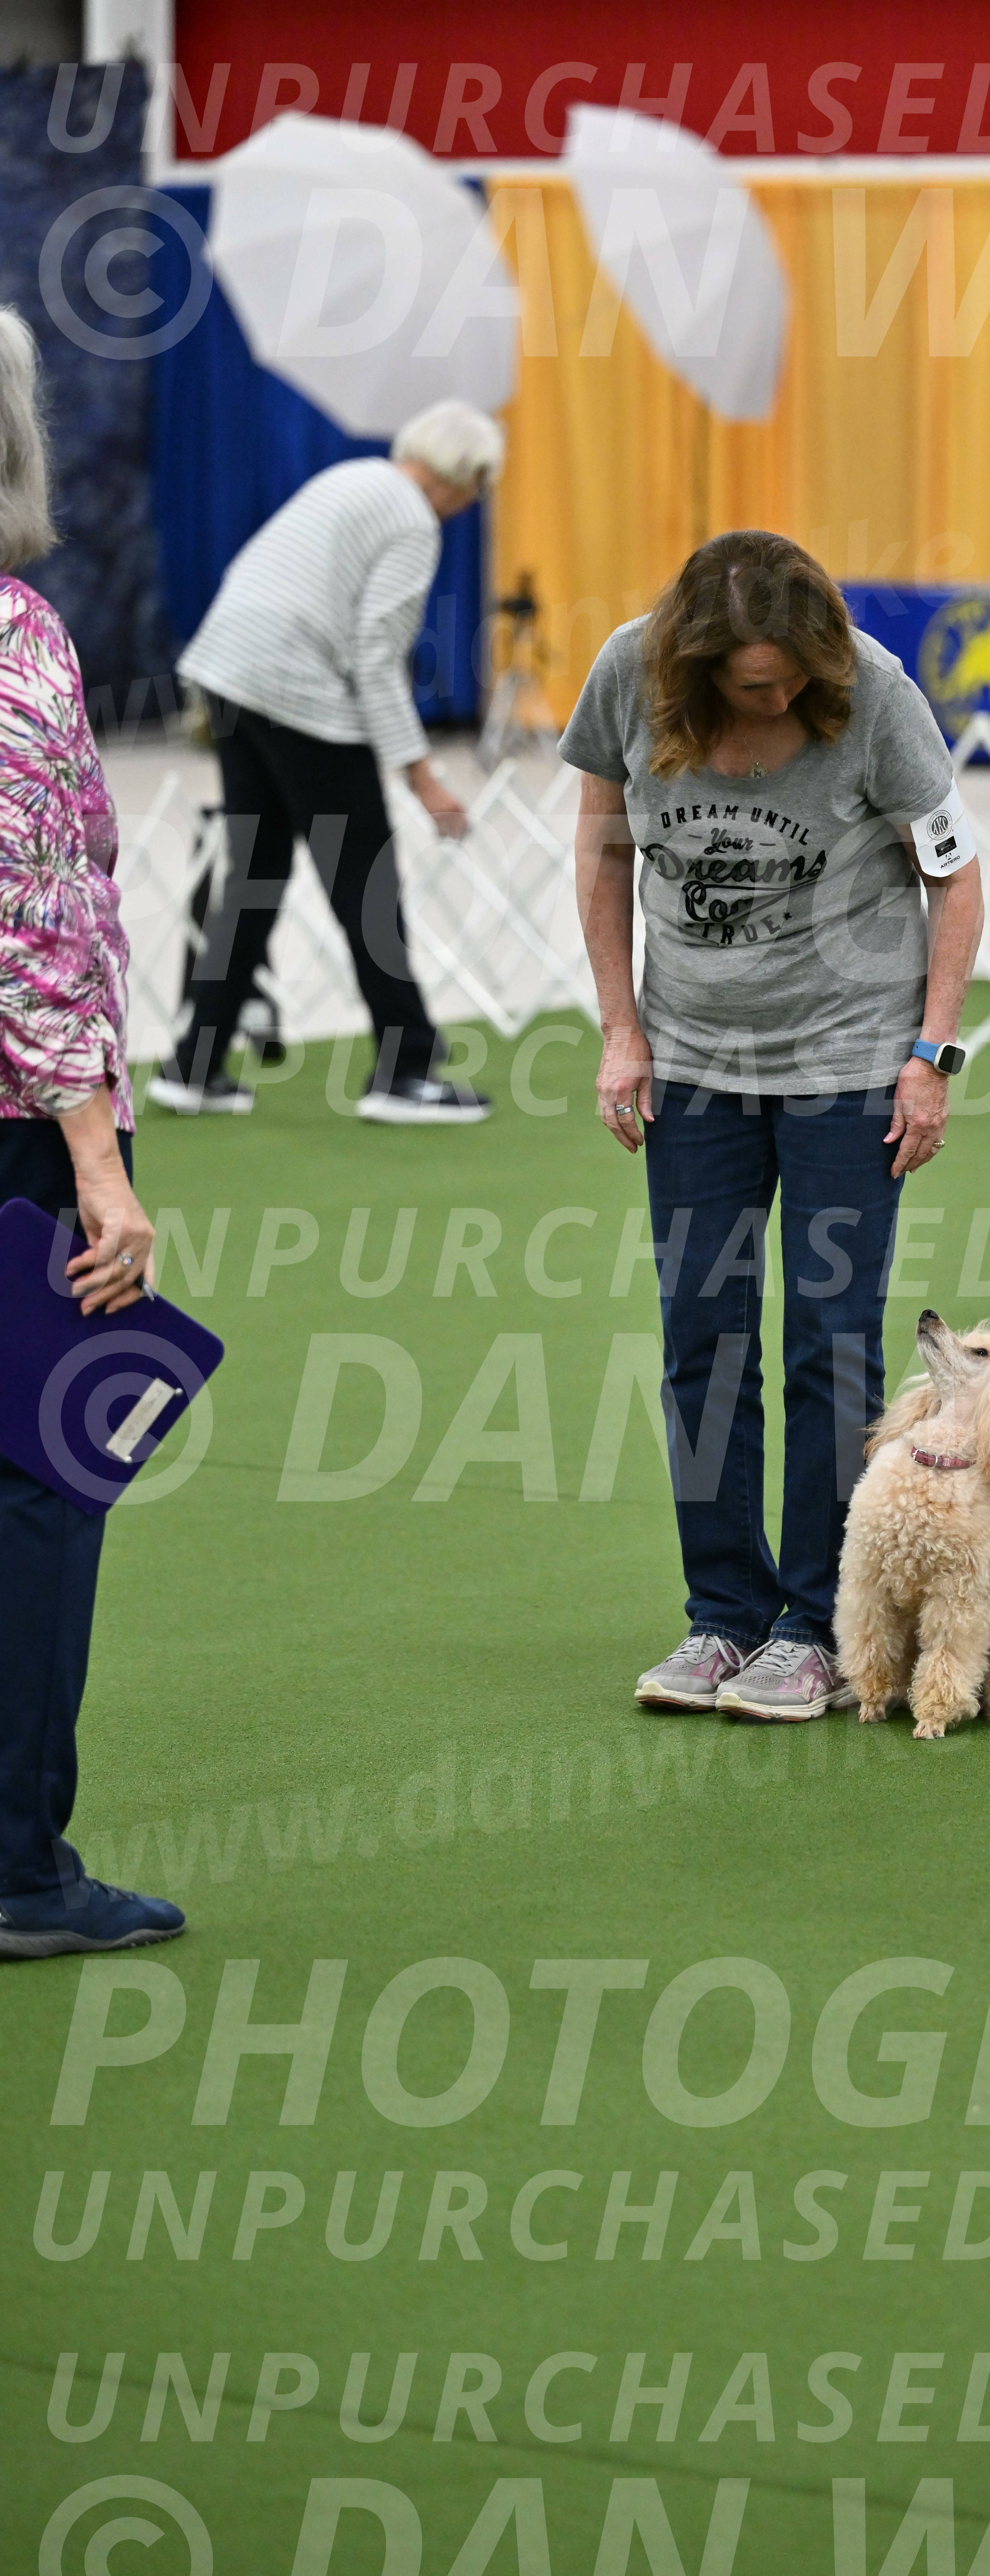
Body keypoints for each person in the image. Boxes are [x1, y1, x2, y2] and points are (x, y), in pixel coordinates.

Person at [565, 529, 985, 1722]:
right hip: (693, 1062)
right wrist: (619, 1028)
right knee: (700, 1343)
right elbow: (600, 854)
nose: (788, 692)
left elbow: (954, 876)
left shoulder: (874, 690)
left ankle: (817, 1625)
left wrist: (930, 1055)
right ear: (696, 667)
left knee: (828, 1341)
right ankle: (721, 1616)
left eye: (800, 670)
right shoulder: (624, 676)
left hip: (851, 1060)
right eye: (759, 682)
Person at [0, 307, 185, 1957]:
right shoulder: (15, 641)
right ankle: (18, 1869)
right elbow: (36, 928)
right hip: (16, 1138)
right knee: (42, 1490)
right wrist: (100, 1166)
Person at [150, 400, 504, 1125]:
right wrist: (421, 773)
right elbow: (375, 655)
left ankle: (194, 1064)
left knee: (256, 873)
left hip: (228, 678)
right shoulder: (410, 518)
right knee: (366, 883)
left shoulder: (350, 479)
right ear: (465, 474)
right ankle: (405, 1070)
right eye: (481, 486)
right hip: (297, 692)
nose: (474, 503)